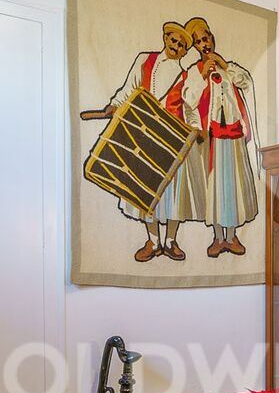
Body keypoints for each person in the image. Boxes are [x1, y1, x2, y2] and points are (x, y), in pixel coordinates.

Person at [101, 20, 204, 262]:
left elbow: (190, 106)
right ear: (166, 38)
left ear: (185, 51)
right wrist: (115, 105)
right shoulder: (145, 60)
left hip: (173, 139)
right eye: (173, 40)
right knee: (146, 190)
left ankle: (170, 241)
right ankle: (154, 241)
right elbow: (130, 87)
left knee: (173, 194)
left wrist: (197, 128)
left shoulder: (185, 75)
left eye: (182, 45)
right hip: (145, 133)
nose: (176, 46)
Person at [183, 17, 259, 257]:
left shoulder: (229, 68)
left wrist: (226, 66)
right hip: (213, 137)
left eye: (205, 39)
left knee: (233, 187)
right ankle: (217, 237)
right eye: (198, 42)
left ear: (212, 39)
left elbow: (246, 82)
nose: (204, 44)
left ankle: (232, 236)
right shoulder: (195, 72)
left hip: (234, 136)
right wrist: (202, 76)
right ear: (195, 47)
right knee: (215, 189)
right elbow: (189, 100)